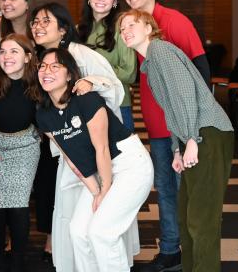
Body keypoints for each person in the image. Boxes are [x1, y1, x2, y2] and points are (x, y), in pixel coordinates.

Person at [119, 9, 234, 272]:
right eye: (122, 28)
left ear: (149, 28)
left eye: (131, 24)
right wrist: (176, 150)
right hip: (193, 135)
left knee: (201, 217)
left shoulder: (160, 51)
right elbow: (171, 109)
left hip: (208, 132)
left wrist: (192, 138)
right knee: (186, 215)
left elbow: (185, 96)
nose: (125, 30)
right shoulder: (150, 62)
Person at [29, 3, 137, 271]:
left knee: (100, 221)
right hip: (73, 153)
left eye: (45, 21)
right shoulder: (43, 59)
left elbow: (113, 89)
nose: (37, 27)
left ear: (63, 28)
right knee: (77, 223)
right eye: (35, 22)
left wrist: (92, 84)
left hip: (98, 148)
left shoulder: (80, 54)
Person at [122, 0, 211, 272]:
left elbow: (202, 70)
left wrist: (194, 130)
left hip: (183, 128)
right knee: (166, 190)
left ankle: (195, 254)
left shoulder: (174, 22)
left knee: (188, 193)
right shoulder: (130, 26)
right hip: (157, 128)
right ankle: (171, 250)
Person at [36, 48, 153, 272]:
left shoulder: (87, 100)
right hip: (100, 172)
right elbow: (72, 159)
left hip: (129, 164)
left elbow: (102, 150)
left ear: (69, 75)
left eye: (54, 66)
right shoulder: (44, 115)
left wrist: (104, 191)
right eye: (42, 66)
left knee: (102, 232)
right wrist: (95, 191)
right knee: (78, 231)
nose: (46, 71)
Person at [0, 34, 41, 271]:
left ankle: (17, 259)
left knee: (19, 206)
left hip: (25, 148)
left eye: (14, 51)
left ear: (27, 57)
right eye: (3, 51)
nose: (7, 56)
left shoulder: (37, 82)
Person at [77, 0, 137, 131]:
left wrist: (94, 71)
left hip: (117, 104)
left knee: (123, 154)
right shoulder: (78, 30)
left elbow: (129, 73)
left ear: (115, 1)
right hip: (86, 105)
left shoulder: (122, 27)